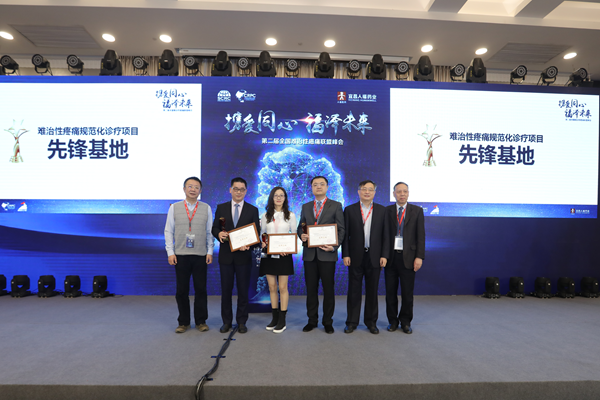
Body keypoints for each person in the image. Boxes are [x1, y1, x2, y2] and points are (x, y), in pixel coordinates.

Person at [164, 177, 214, 334]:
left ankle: (201, 321)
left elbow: (210, 232)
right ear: (184, 189)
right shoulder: (174, 207)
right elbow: (168, 231)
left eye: (196, 187)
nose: (193, 189)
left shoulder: (206, 208)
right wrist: (170, 252)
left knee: (201, 290)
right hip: (181, 255)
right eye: (190, 186)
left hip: (200, 255)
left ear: (200, 190)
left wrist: (210, 251)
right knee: (181, 291)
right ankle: (183, 322)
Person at [212, 177, 260, 334]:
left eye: (242, 189)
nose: (239, 192)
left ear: (246, 191)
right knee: (226, 291)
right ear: (230, 190)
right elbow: (214, 228)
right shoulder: (221, 208)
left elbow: (256, 233)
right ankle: (226, 322)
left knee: (243, 291)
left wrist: (250, 244)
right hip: (226, 257)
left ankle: (241, 322)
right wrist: (218, 234)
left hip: (244, 257)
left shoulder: (253, 210)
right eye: (236, 189)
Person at [297, 176, 345, 334]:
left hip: (327, 254)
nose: (318, 187)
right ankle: (312, 320)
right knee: (311, 290)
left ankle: (327, 321)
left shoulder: (336, 205)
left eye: (322, 184)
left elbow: (341, 229)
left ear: (327, 187)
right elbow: (300, 227)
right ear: (311, 187)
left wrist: (334, 247)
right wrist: (302, 235)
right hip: (310, 255)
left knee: (328, 289)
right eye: (315, 184)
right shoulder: (306, 206)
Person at [342, 180, 388, 334]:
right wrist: (346, 254)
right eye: (364, 189)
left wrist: (384, 255)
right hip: (355, 256)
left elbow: (386, 236)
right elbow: (345, 235)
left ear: (374, 192)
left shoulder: (382, 210)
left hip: (375, 256)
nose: (367, 192)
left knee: (372, 291)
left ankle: (371, 322)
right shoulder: (349, 210)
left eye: (370, 189)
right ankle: (351, 322)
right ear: (358, 191)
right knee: (353, 291)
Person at [384, 182, 425, 334]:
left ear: (408, 193)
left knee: (407, 293)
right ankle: (392, 321)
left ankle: (406, 322)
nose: (402, 194)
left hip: (409, 258)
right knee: (390, 293)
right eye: (399, 191)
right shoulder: (387, 211)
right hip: (391, 257)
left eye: (405, 191)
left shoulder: (417, 211)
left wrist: (419, 257)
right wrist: (383, 255)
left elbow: (421, 236)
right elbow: (383, 235)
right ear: (393, 194)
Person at [259, 186, 297, 334]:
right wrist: (263, 243)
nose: (279, 198)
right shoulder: (265, 215)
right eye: (276, 195)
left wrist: (288, 248)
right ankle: (274, 318)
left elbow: (294, 235)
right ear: (272, 197)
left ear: (285, 198)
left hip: (284, 255)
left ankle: (282, 320)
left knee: (283, 287)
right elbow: (262, 234)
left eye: (282, 195)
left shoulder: (291, 215)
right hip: (268, 255)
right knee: (272, 287)